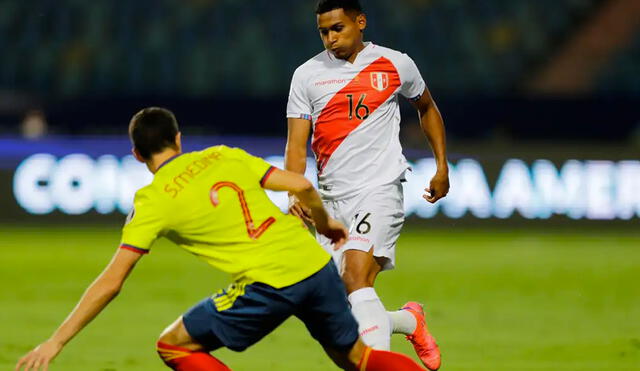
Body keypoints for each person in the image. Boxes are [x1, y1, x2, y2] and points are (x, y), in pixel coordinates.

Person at [15, 107, 427, 371]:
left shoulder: (152, 201)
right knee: (359, 358)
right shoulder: (223, 155)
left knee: (173, 346)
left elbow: (112, 281)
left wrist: (56, 341)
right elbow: (301, 183)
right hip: (314, 265)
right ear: (178, 140)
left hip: (269, 284)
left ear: (137, 156)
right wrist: (325, 224)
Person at [285, 1, 449, 369]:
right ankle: (409, 321)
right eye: (324, 32)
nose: (331, 39)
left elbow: (426, 107)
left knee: (355, 277)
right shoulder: (306, 75)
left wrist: (441, 166)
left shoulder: (394, 63)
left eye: (338, 29)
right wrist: (295, 190)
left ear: (360, 23)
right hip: (329, 202)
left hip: (379, 188)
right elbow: (296, 143)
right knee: (336, 313)